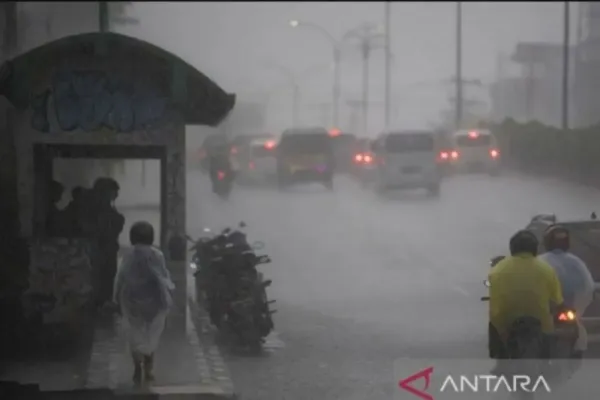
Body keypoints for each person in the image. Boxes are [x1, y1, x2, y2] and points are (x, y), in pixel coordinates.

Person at [488, 230, 564, 363]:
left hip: (507, 324)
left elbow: (495, 306)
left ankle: (500, 360)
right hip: (542, 325)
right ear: (535, 249)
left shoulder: (497, 270)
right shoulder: (547, 269)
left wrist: (501, 330)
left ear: (512, 248)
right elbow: (557, 300)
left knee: (494, 326)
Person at [113, 221, 174, 385]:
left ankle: (137, 369)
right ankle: (148, 369)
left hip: (132, 302)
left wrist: (116, 298)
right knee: (151, 336)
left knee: (134, 336)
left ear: (132, 237)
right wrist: (168, 297)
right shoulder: (157, 255)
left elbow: (120, 278)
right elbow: (163, 277)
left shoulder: (129, 255)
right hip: (154, 302)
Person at [538, 225, 595, 357]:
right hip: (570, 313)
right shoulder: (577, 262)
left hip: (548, 313)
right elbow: (588, 288)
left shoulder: (540, 261)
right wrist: (578, 308)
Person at [90, 178, 125, 307]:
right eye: (114, 192)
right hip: (100, 250)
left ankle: (104, 302)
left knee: (108, 276)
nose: (116, 195)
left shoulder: (107, 208)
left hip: (108, 249)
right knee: (101, 277)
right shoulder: (97, 210)